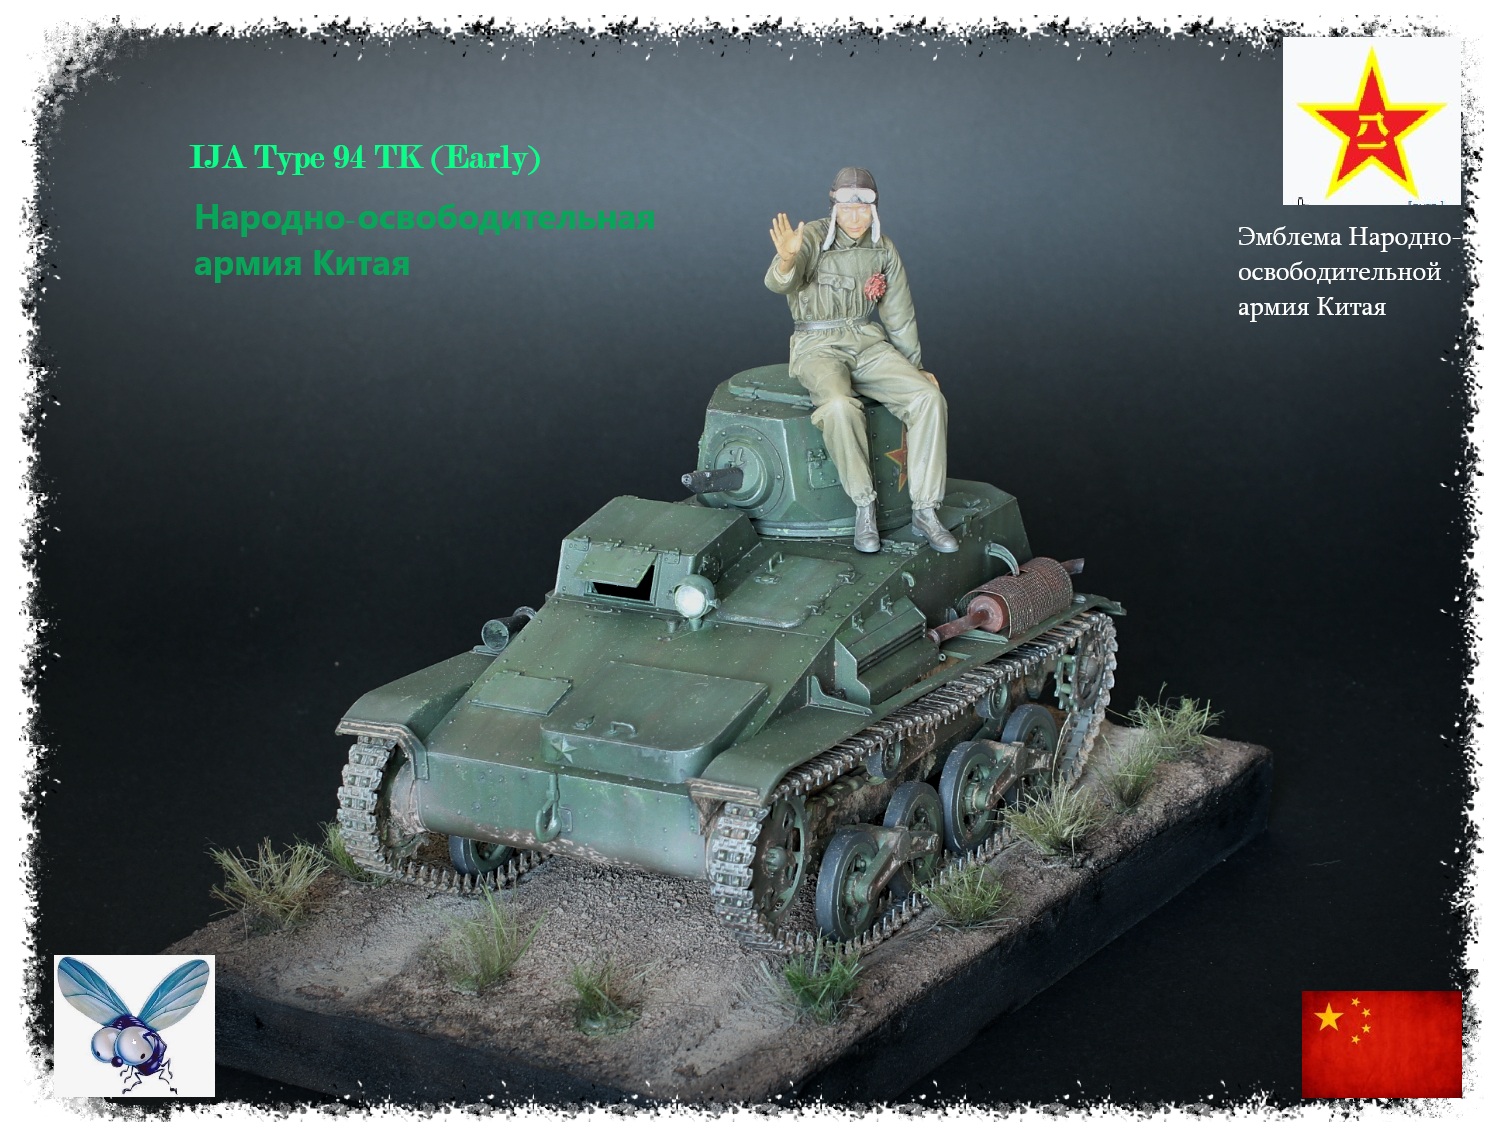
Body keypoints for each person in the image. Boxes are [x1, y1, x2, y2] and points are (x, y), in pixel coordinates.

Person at [765, 167, 957, 555]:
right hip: (817, 344)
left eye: (863, 208)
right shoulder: (811, 238)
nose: (855, 216)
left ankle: (925, 509)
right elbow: (779, 282)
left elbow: (899, 314)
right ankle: (864, 506)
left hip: (866, 342)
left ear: (874, 209)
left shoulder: (882, 249)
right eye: (847, 207)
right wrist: (786, 259)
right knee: (838, 404)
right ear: (834, 206)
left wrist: (915, 368)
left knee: (927, 399)